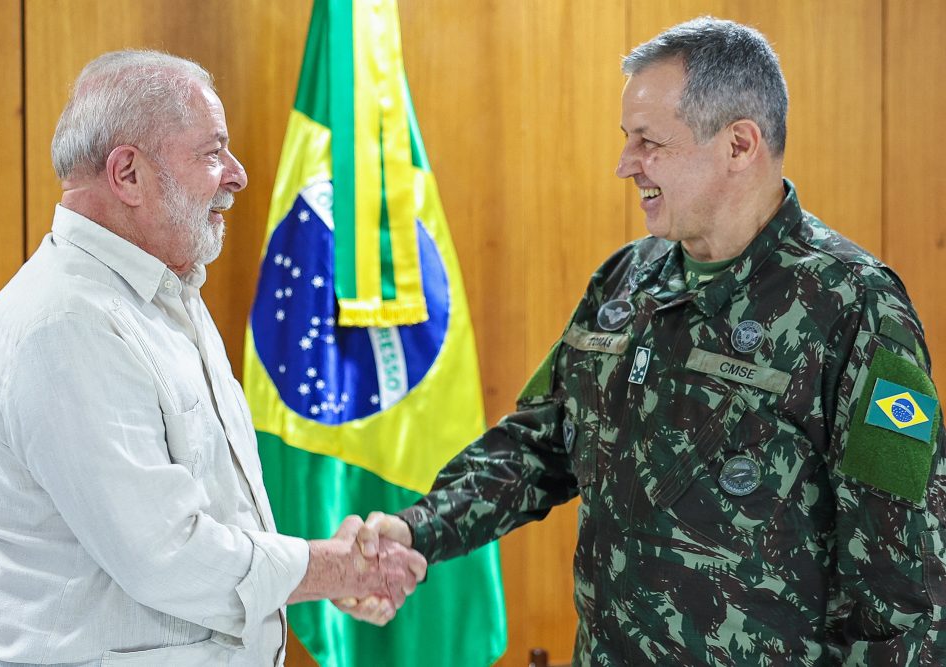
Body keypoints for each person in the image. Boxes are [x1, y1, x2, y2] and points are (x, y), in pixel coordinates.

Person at [347, 17, 946, 665]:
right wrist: (416, 529)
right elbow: (540, 442)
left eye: (648, 141)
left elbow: (904, 583)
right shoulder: (624, 281)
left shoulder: (853, 303)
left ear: (739, 144)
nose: (625, 165)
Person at [0, 50, 424, 667]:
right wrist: (328, 570)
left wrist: (319, 573)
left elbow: (216, 512)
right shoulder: (67, 322)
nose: (237, 174)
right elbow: (166, 554)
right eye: (212, 152)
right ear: (127, 174)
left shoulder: (163, 289)